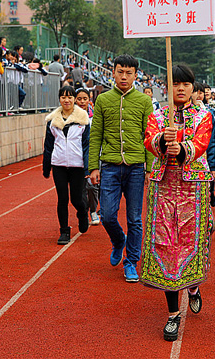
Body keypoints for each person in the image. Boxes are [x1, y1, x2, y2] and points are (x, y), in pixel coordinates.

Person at [140, 64, 213, 342]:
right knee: (166, 245)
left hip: (193, 188)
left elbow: (202, 142)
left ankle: (192, 287)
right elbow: (148, 140)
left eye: (185, 84)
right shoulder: (158, 115)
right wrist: (161, 139)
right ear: (167, 87)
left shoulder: (203, 115)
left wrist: (182, 148)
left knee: (190, 241)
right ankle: (172, 315)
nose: (180, 89)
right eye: (175, 84)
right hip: (163, 187)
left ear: (193, 89)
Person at [88, 54, 153, 283]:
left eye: (129, 73)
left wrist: (149, 169)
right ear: (112, 73)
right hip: (110, 167)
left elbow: (149, 137)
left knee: (135, 218)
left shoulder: (144, 102)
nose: (124, 76)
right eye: (120, 72)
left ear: (136, 75)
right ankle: (118, 241)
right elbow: (95, 135)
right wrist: (93, 166)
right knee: (106, 215)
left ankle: (131, 262)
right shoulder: (103, 100)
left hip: (136, 168)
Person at [43, 85, 90, 244]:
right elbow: (48, 145)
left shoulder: (83, 119)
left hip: (77, 165)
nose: (67, 100)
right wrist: (46, 166)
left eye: (70, 97)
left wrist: (88, 166)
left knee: (76, 199)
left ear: (74, 99)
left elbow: (86, 145)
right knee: (62, 198)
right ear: (59, 99)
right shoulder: (52, 120)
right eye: (63, 97)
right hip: (59, 165)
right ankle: (64, 231)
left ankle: (83, 212)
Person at [75, 88, 101, 226]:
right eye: (79, 99)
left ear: (89, 100)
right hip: (74, 156)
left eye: (84, 99)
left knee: (92, 186)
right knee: (79, 189)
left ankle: (93, 211)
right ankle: (83, 211)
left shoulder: (94, 116)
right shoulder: (70, 117)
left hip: (91, 155)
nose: (82, 102)